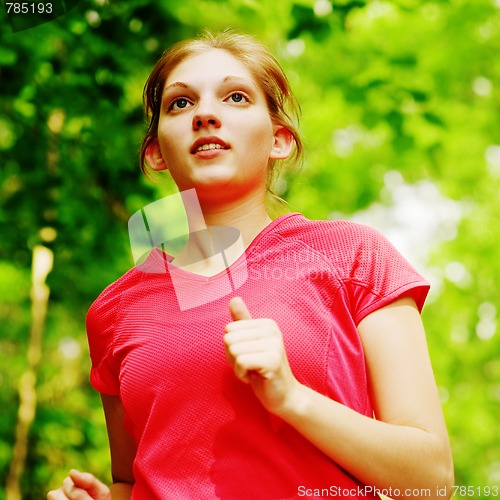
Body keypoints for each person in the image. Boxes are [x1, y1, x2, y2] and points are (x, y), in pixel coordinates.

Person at [48, 30, 454, 499]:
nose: (204, 114)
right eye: (180, 104)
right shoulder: (113, 311)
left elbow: (432, 481)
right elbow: (131, 481)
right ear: (155, 152)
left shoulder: (354, 256)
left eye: (236, 97)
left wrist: (292, 397)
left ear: (279, 139)